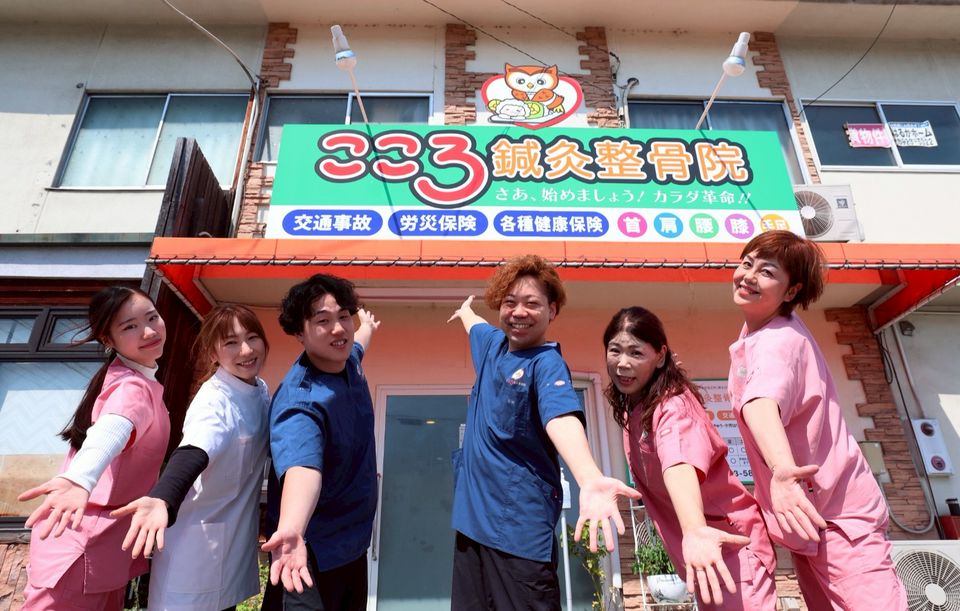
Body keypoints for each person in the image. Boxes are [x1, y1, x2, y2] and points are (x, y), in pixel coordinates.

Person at [447, 254, 640, 610]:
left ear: (552, 311)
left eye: (532, 304)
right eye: (510, 302)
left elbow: (560, 416)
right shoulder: (492, 346)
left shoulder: (546, 363)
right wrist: (465, 312)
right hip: (471, 527)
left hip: (517, 534)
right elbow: (476, 325)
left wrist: (589, 476)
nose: (518, 312)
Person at [727, 230, 907, 610]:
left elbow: (760, 403)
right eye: (747, 264)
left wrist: (782, 473)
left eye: (767, 272)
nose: (749, 276)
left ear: (791, 291)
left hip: (838, 519)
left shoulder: (777, 340)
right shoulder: (760, 334)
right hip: (810, 519)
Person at [604, 306, 776, 610]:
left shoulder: (672, 407)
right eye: (615, 350)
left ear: (660, 356)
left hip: (731, 550)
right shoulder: (637, 407)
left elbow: (679, 463)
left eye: (636, 353)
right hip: (705, 559)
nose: (623, 363)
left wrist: (695, 529)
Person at [19, 286, 170, 610]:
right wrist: (80, 479)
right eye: (130, 326)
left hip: (102, 548)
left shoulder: (139, 380)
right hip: (79, 547)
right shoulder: (132, 387)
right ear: (107, 339)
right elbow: (112, 429)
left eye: (152, 318)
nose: (149, 331)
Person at [111, 304, 271, 611]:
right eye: (231, 342)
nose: (247, 350)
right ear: (213, 354)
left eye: (252, 337)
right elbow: (194, 451)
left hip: (229, 544)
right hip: (194, 554)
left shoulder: (258, 390)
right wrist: (163, 498)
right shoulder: (214, 401)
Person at [259, 273, 380, 611]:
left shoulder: (347, 361)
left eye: (344, 316)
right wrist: (293, 528)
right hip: (307, 555)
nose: (339, 329)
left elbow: (358, 343)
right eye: (323, 321)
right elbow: (303, 468)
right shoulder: (301, 401)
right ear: (300, 332)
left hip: (352, 546)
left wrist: (368, 326)